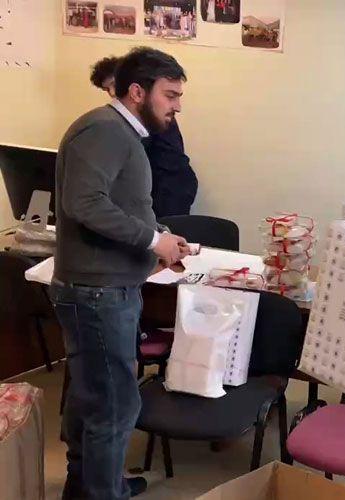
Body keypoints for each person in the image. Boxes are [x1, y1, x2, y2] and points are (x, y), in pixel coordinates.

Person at [53, 47, 190, 500]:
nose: (177, 106)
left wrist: (160, 237)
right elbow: (84, 203)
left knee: (94, 397)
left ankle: (92, 485)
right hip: (98, 292)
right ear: (137, 92)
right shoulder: (105, 130)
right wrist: (152, 241)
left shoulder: (123, 133)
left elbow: (122, 204)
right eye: (170, 95)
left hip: (108, 288)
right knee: (113, 406)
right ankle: (102, 491)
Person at [91, 56, 198, 217]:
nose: (112, 92)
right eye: (107, 89)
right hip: (164, 182)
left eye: (114, 84)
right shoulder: (121, 117)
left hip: (168, 184)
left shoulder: (148, 114)